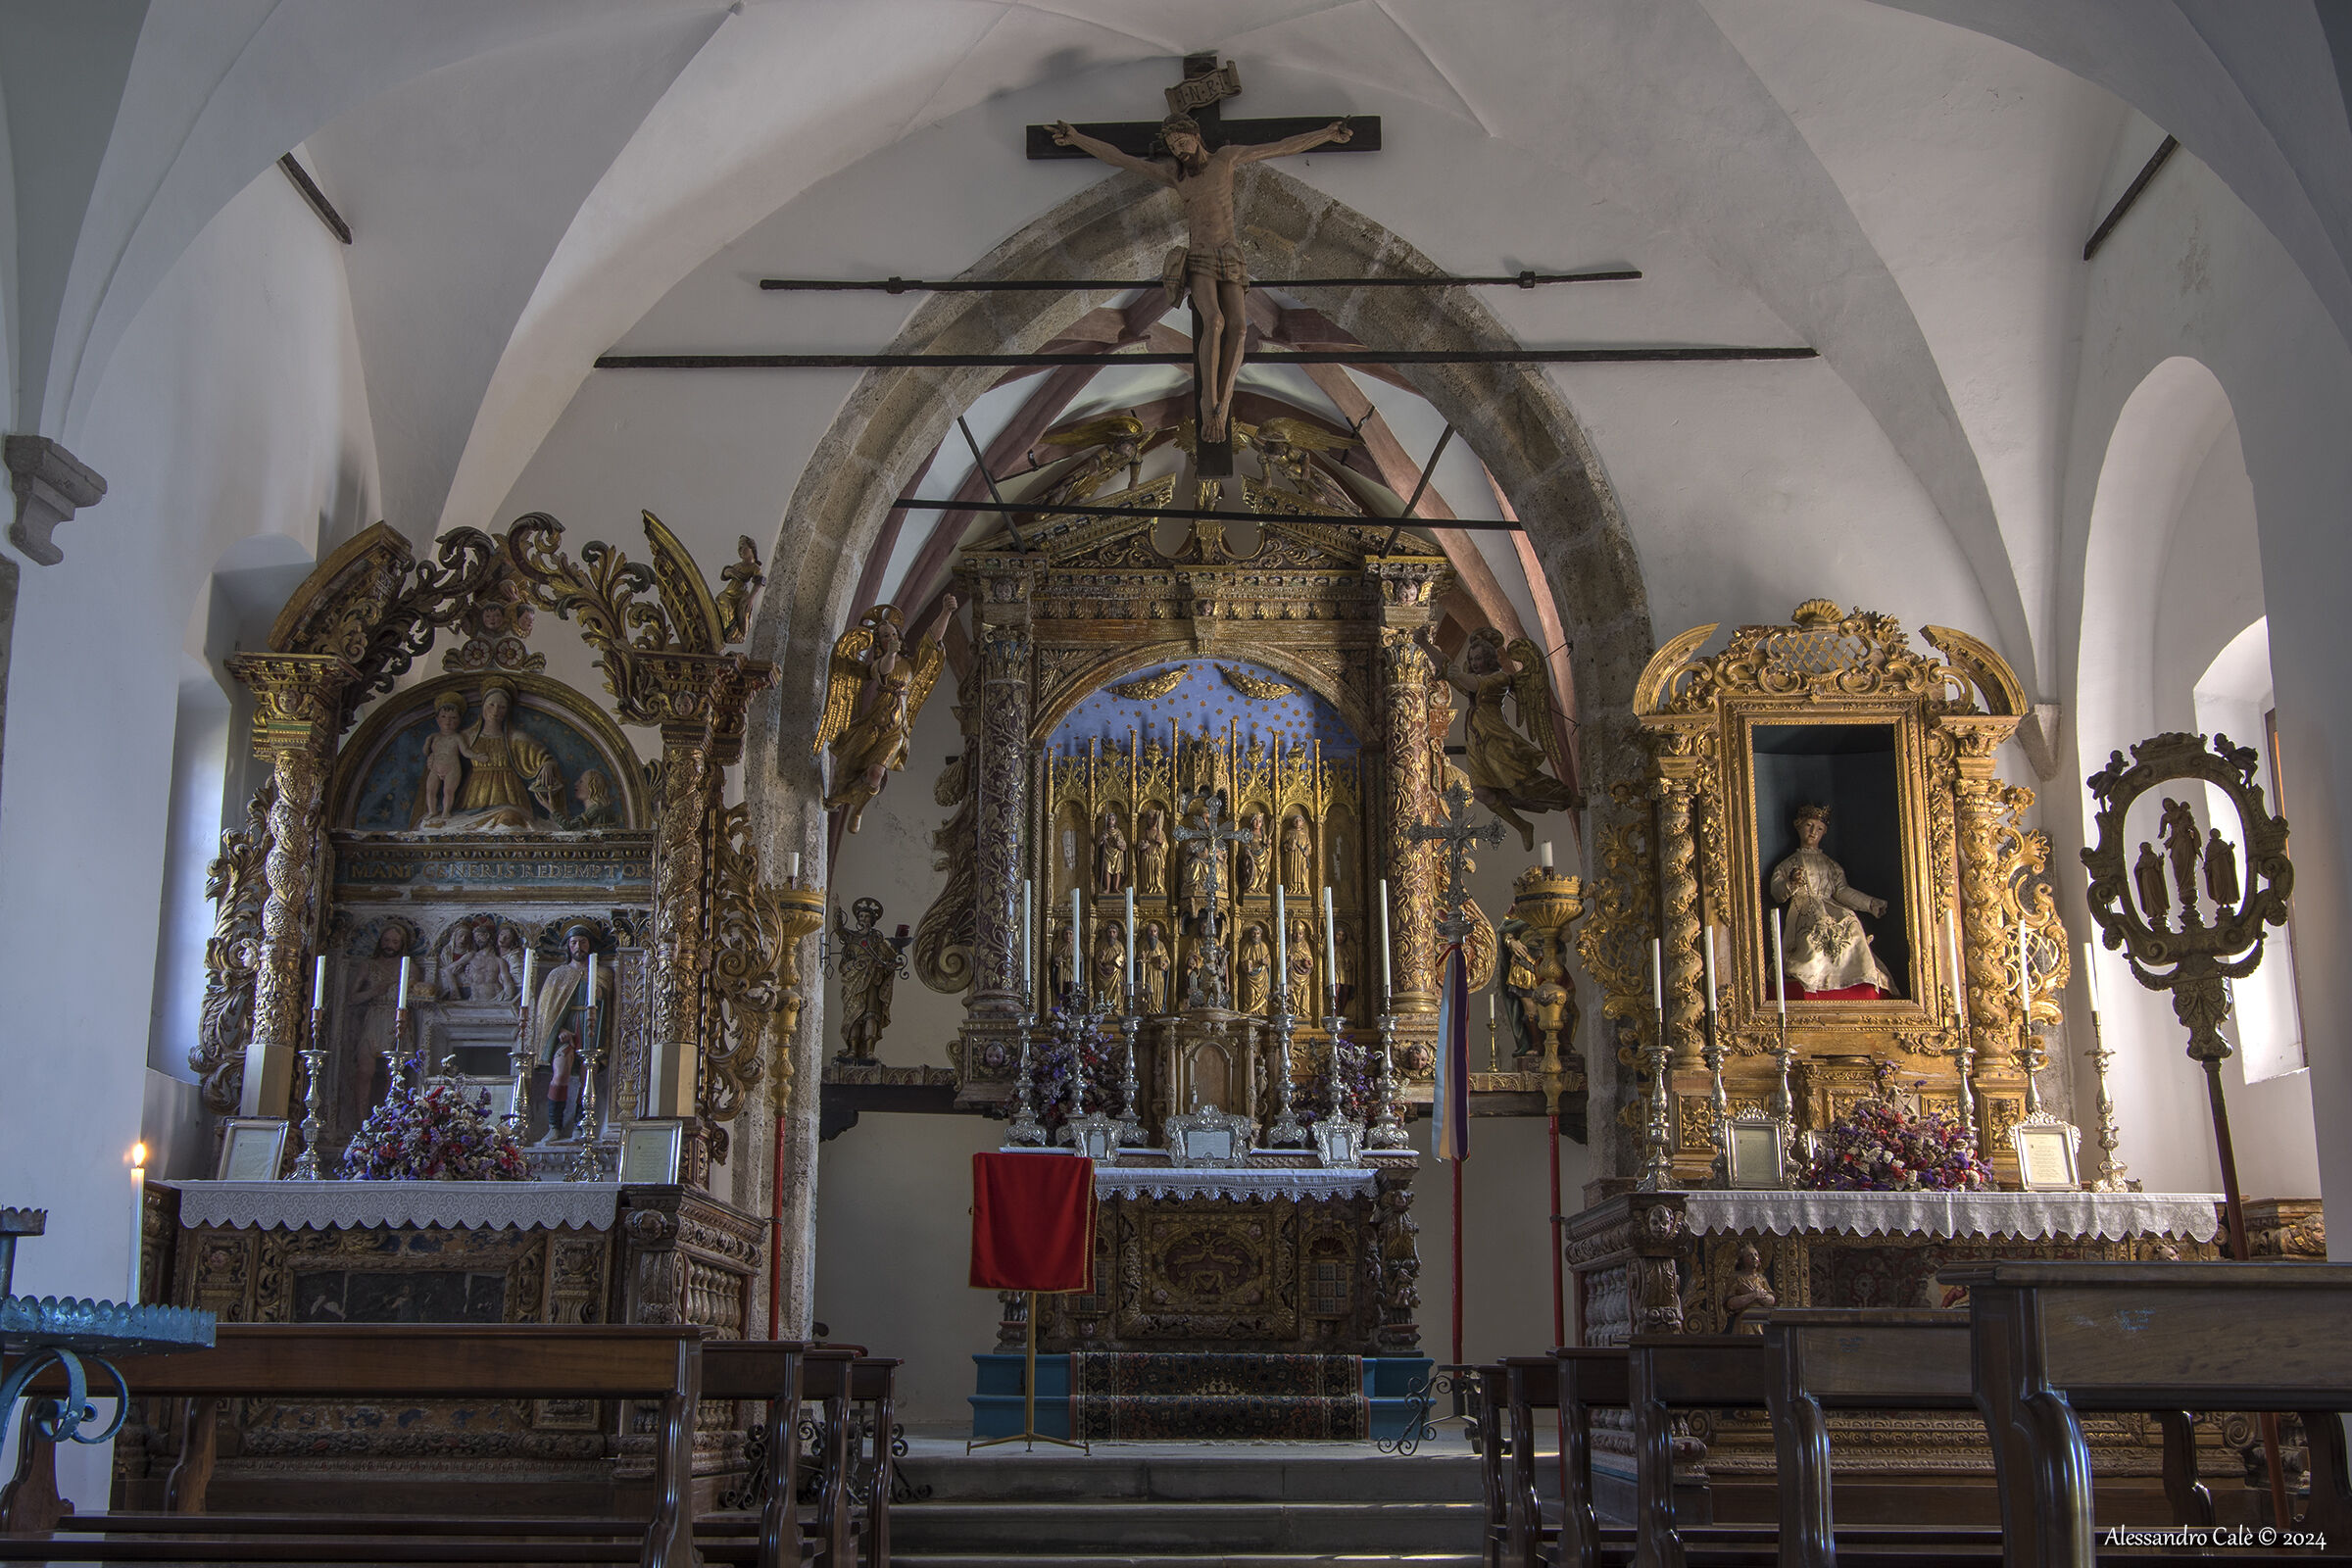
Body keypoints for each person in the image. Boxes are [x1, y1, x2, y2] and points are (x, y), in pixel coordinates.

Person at [1049, 113, 1353, 442]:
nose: (1179, 150)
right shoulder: (1176, 175)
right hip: (1201, 256)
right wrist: (1077, 138)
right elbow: (1121, 159)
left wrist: (1326, 134)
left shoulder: (1226, 159)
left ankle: (1224, 403)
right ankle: (1210, 404)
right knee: (1215, 322)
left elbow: (1279, 147)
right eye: (1173, 146)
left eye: (1182, 142)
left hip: (1231, 254)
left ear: (1195, 135)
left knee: (1238, 329)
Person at [1769, 804, 1895, 997]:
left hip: (1830, 905)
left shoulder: (1831, 865)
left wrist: (1870, 903)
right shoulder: (1788, 864)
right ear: (1798, 826)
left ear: (1824, 833)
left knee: (1850, 919)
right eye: (1809, 826)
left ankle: (1854, 975)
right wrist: (1793, 884)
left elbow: (1842, 891)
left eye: (1818, 829)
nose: (1813, 832)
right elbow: (1777, 892)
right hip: (1805, 908)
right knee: (1817, 926)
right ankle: (1812, 974)